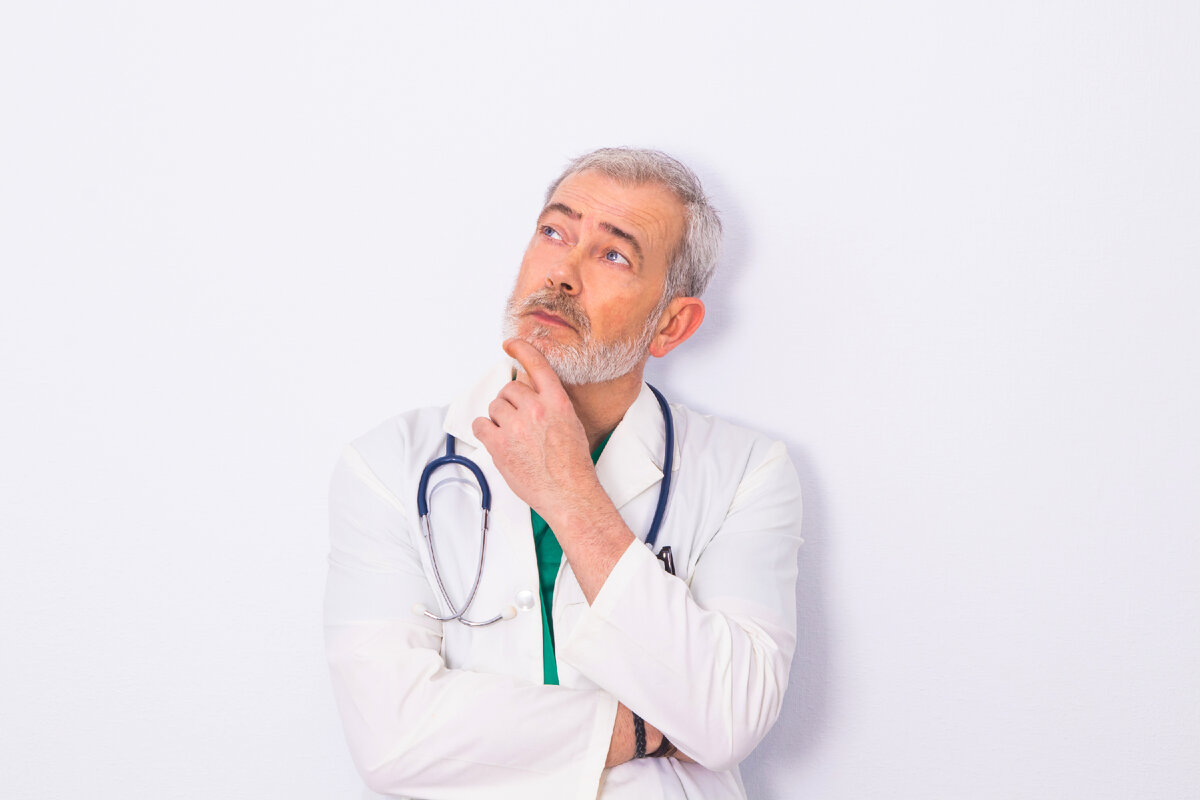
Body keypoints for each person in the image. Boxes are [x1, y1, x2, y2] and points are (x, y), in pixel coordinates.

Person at [324, 147, 803, 800]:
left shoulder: (745, 472)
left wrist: (571, 494)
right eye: (554, 231)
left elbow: (729, 717)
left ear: (671, 324)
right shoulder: (389, 466)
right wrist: (648, 730)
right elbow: (393, 741)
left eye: (614, 255)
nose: (562, 274)